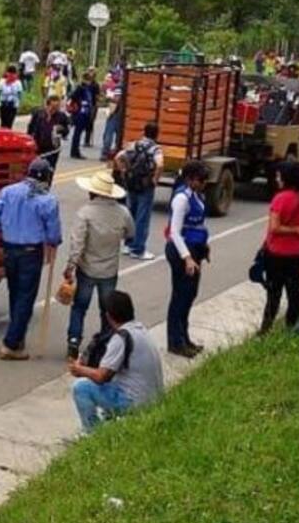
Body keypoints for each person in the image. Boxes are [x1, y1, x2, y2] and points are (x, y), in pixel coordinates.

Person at [0, 158, 63, 360]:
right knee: (25, 298)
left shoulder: (8, 192)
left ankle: (17, 336)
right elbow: (54, 234)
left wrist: (7, 227)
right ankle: (11, 343)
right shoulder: (48, 200)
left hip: (10, 250)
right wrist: (52, 243)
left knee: (15, 293)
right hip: (30, 253)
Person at [62, 169, 135, 360]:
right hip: (109, 269)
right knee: (107, 310)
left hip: (87, 268)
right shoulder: (123, 213)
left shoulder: (85, 213)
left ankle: (73, 343)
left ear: (92, 192)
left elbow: (77, 243)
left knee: (79, 307)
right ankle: (104, 345)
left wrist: (70, 266)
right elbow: (131, 234)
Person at [68, 290, 164, 433]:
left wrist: (79, 369)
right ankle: (113, 421)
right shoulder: (140, 330)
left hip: (135, 402)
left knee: (81, 388)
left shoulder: (121, 338)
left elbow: (101, 376)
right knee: (114, 382)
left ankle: (92, 433)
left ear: (108, 316)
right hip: (155, 398)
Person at [259, 161, 299, 332]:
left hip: (276, 253)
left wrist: (292, 229)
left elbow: (274, 228)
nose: (277, 179)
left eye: (279, 176)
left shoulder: (280, 198)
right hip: (297, 253)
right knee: (293, 293)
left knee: (273, 294)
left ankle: (265, 329)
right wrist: (297, 230)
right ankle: (290, 328)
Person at [165, 162, 212, 357]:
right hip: (182, 252)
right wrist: (187, 258)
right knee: (180, 296)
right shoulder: (182, 199)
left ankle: (184, 337)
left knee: (190, 295)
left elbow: (198, 224)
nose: (203, 184)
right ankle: (176, 341)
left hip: (195, 250)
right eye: (200, 180)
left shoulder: (196, 196)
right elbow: (175, 232)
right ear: (190, 179)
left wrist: (205, 245)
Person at [116, 122, 164, 261]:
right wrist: (155, 179)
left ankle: (127, 244)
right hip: (145, 185)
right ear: (156, 134)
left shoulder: (134, 144)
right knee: (143, 217)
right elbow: (160, 164)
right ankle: (138, 249)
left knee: (131, 213)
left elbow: (118, 157)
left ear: (144, 132)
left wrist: (124, 171)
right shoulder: (155, 149)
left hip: (131, 183)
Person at [27, 96, 69, 177]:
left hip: (52, 150)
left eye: (57, 108)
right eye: (53, 107)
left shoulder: (61, 116)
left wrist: (62, 130)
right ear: (47, 105)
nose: (54, 110)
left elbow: (66, 132)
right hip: (38, 148)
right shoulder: (38, 114)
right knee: (35, 171)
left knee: (49, 171)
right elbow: (30, 128)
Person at [68, 71, 98, 159]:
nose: (89, 82)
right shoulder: (80, 88)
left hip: (86, 113)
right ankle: (74, 151)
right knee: (77, 133)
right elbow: (73, 97)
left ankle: (76, 151)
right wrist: (78, 103)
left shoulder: (89, 88)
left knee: (79, 132)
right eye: (88, 79)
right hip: (80, 113)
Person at [100, 70, 123, 161]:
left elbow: (116, 100)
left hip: (116, 113)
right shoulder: (127, 86)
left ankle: (105, 153)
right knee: (119, 135)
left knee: (108, 134)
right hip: (123, 114)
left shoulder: (118, 87)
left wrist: (110, 98)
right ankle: (117, 151)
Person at [0, 64, 24, 129]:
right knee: (3, 123)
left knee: (9, 122)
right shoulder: (2, 81)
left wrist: (17, 101)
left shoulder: (18, 83)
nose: (11, 75)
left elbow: (20, 94)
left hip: (13, 105)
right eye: (9, 73)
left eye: (13, 73)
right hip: (3, 104)